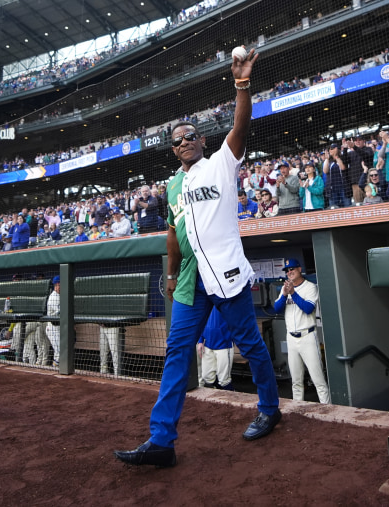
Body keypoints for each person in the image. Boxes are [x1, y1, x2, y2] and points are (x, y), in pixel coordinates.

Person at [114, 47, 280, 469]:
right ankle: (162, 440)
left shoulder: (221, 164)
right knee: (176, 352)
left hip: (225, 274)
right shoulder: (172, 186)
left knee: (250, 343)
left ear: (202, 140)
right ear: (172, 151)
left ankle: (269, 406)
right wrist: (170, 275)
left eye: (190, 136)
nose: (185, 143)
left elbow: (241, 127)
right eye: (177, 141)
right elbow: (173, 234)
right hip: (191, 279)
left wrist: (242, 84)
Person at [274, 259, 330, 404]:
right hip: (291, 338)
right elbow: (277, 309)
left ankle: (328, 410)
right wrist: (285, 294)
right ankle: (297, 409)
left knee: (318, 380)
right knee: (296, 380)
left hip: (307, 336)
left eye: (291, 268)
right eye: (287, 270)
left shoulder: (310, 287)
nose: (289, 272)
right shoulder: (284, 288)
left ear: (299, 269)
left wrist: (293, 293)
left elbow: (308, 308)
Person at [196, 308, 235, 390]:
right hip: (208, 344)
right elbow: (201, 319)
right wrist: (200, 340)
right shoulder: (206, 300)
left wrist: (228, 336)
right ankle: (219, 396)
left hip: (224, 345)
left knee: (224, 380)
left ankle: (231, 399)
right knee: (207, 376)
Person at [343, 136, 374, 204]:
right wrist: (345, 149)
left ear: (364, 141)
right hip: (355, 185)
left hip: (367, 183)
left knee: (370, 204)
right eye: (355, 140)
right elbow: (344, 163)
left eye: (359, 140)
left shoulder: (368, 149)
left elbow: (365, 155)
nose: (357, 141)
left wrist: (354, 147)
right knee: (358, 205)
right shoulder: (350, 153)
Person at [322, 143, 349, 207]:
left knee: (347, 207)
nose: (330, 150)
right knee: (334, 208)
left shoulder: (343, 158)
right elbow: (325, 171)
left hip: (343, 188)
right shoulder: (329, 160)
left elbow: (342, 167)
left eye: (332, 149)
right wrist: (327, 159)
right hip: (332, 189)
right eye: (330, 149)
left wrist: (336, 156)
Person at [45, 275, 60, 367]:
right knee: (59, 351)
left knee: (59, 351)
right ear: (57, 284)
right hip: (52, 328)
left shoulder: (60, 295)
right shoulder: (54, 297)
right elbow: (61, 313)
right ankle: (55, 369)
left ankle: (56, 369)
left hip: (58, 328)